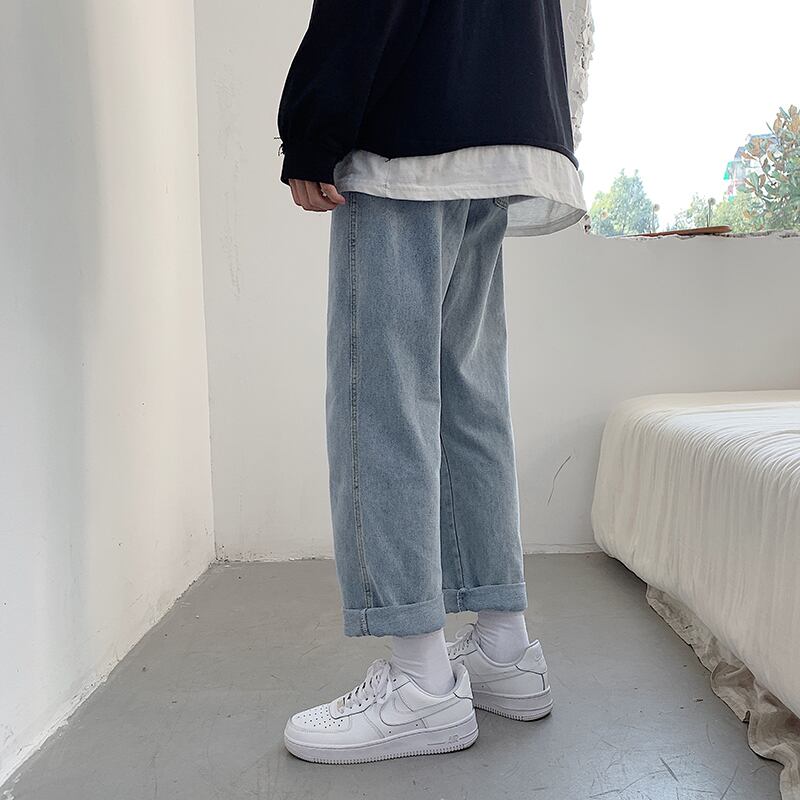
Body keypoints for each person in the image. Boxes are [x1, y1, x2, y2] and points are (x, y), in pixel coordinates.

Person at [277, 0, 586, 765]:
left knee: (382, 401)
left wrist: (316, 121)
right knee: (469, 392)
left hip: (411, 119)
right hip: (509, 112)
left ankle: (420, 684)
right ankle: (505, 650)